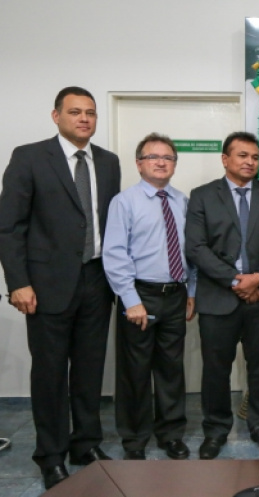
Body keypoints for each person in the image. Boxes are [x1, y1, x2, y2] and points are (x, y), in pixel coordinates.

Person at [0, 87, 120, 489]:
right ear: (56, 117)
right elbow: (10, 226)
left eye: (90, 113)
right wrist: (18, 282)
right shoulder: (30, 157)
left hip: (97, 280)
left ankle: (84, 445)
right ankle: (50, 455)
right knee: (50, 374)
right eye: (74, 112)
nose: (84, 119)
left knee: (88, 371)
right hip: (47, 285)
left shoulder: (108, 162)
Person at [185, 132, 259, 458]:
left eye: (255, 157)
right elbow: (196, 247)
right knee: (216, 369)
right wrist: (237, 281)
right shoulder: (202, 196)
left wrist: (258, 278)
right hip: (219, 299)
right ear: (225, 159)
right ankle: (216, 430)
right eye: (242, 155)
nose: (249, 162)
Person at [103, 133, 196, 460]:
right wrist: (131, 300)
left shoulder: (182, 201)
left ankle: (171, 435)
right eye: (153, 157)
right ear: (139, 163)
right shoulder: (124, 202)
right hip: (140, 294)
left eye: (168, 158)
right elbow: (113, 254)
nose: (161, 162)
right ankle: (134, 440)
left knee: (172, 370)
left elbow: (190, 251)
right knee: (135, 372)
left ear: (173, 164)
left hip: (176, 294)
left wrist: (191, 291)